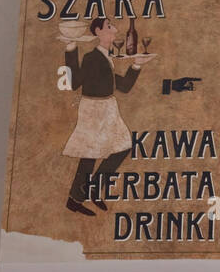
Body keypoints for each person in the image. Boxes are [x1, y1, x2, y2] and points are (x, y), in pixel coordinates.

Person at [62, 17, 156, 216]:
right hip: (94, 110)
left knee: (122, 146)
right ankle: (75, 199)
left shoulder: (107, 56)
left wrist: (137, 64)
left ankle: (92, 188)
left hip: (108, 107)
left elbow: (124, 86)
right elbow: (73, 83)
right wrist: (70, 48)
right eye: (109, 26)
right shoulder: (91, 58)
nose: (115, 29)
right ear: (98, 31)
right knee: (90, 154)